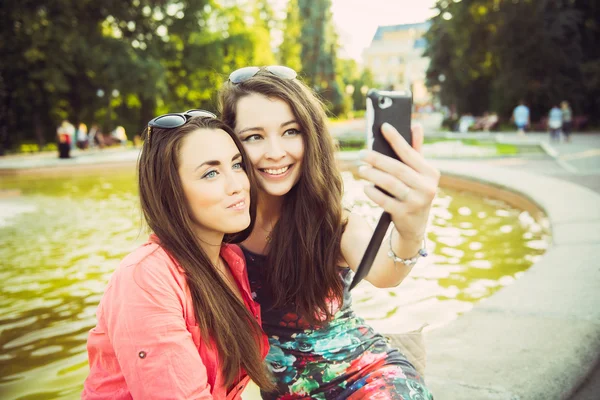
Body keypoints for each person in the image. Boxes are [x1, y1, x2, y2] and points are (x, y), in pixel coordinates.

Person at [219, 66, 438, 399]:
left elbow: (385, 272)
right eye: (254, 136)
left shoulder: (331, 221)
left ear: (311, 135)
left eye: (290, 132)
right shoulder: (220, 226)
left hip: (364, 375)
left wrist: (411, 228)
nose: (276, 151)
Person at [82, 112, 275, 399]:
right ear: (170, 191)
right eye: (211, 173)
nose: (237, 184)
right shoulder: (145, 278)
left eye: (236, 165)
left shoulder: (231, 260)